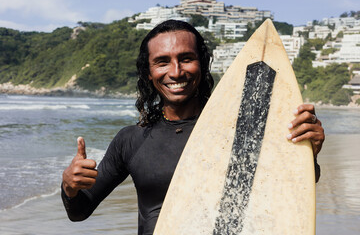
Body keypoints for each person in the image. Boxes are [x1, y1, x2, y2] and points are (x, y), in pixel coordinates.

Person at [61, 20, 325, 235]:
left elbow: (286, 189)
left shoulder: (243, 133)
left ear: (203, 63)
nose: (176, 72)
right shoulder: (131, 140)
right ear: (148, 72)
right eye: (162, 62)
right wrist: (70, 187)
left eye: (186, 58)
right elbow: (79, 211)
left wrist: (307, 152)